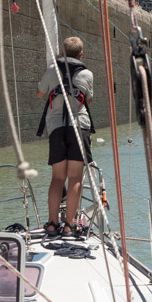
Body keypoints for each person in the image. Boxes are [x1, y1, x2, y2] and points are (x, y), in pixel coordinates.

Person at [36, 36, 94, 236]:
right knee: (75, 177)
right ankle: (70, 224)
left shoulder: (52, 70)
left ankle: (52, 223)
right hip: (79, 126)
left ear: (62, 53)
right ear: (81, 55)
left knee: (57, 177)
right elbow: (89, 99)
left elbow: (39, 94)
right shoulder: (87, 74)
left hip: (56, 127)